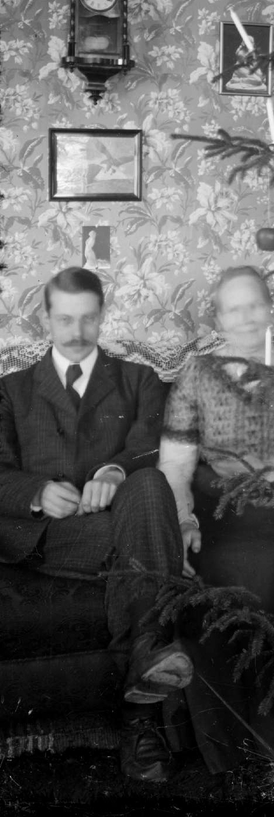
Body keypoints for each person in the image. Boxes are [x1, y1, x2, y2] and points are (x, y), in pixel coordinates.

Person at [0, 267, 190, 783]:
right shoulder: (11, 390)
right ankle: (144, 703)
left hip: (124, 520)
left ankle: (141, 698)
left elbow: (150, 447)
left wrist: (115, 470)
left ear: (103, 315)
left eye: (88, 319)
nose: (77, 332)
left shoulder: (139, 379)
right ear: (45, 318)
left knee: (148, 485)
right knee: (150, 536)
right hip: (52, 535)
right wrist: (36, 493)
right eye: (65, 319)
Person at [158, 265, 274, 772]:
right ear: (218, 318)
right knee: (221, 575)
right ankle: (242, 744)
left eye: (254, 305)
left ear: (270, 309)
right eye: (232, 309)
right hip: (219, 511)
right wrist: (183, 522)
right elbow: (175, 466)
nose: (244, 317)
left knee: (273, 563)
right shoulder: (197, 375)